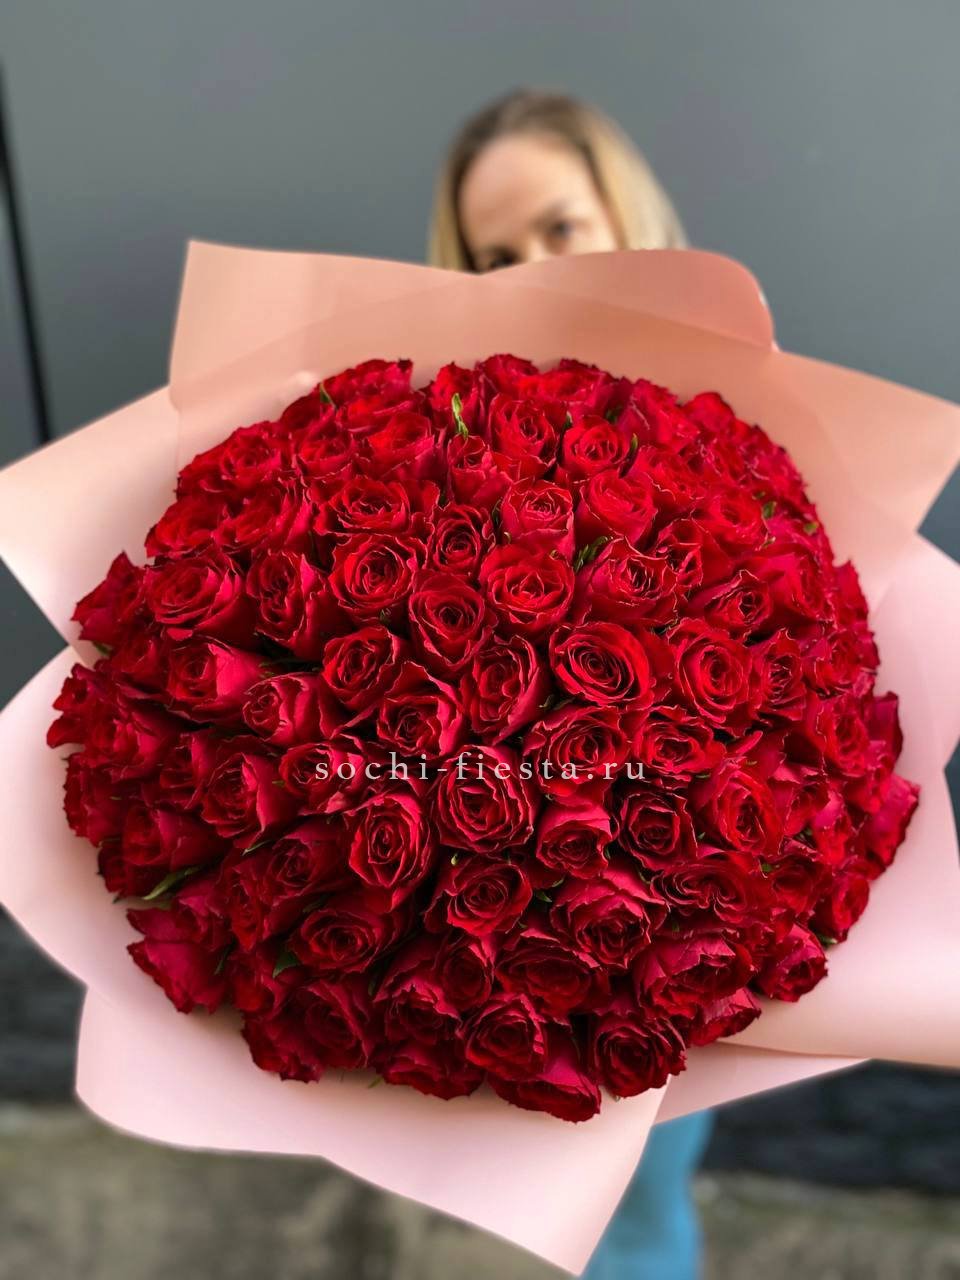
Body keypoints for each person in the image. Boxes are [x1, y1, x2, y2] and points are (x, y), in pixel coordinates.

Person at [426, 88, 713, 1280]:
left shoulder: (732, 398)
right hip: (505, 902)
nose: (532, 271)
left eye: (559, 227)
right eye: (494, 256)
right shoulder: (449, 426)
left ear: (623, 211)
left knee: (642, 1199)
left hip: (684, 895)